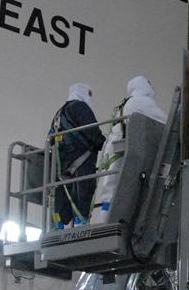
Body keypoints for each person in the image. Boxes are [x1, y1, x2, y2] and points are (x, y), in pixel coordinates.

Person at [90, 77, 167, 224]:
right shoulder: (142, 101)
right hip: (127, 150)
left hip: (114, 151)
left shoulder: (124, 104)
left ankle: (104, 220)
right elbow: (163, 121)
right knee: (130, 187)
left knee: (110, 188)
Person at [50, 83, 103, 226]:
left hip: (62, 164)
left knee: (63, 195)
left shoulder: (59, 114)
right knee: (83, 192)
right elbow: (93, 133)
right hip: (81, 160)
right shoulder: (80, 107)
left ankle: (58, 225)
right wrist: (105, 144)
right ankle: (80, 223)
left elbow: (50, 139)